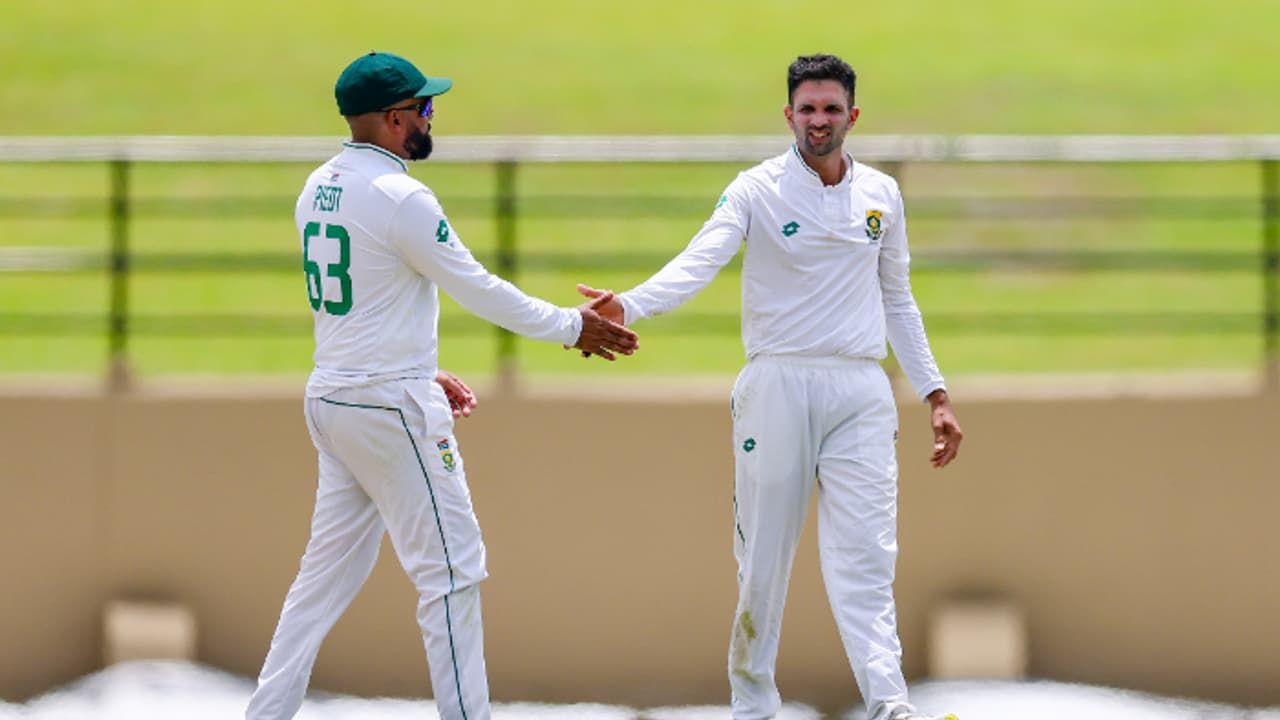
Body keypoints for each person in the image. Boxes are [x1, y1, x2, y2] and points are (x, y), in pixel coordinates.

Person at [246, 51, 638, 720]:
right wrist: (572, 327)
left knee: (320, 583)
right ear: (394, 119)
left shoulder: (319, 184)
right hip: (387, 407)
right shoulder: (401, 197)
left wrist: (419, 368)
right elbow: (479, 289)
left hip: (335, 400)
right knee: (453, 574)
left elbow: (362, 299)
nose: (433, 117)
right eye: (424, 108)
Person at [577, 54, 962, 720]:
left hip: (861, 389)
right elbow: (703, 258)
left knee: (868, 558)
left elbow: (897, 297)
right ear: (788, 115)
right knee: (763, 559)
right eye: (807, 109)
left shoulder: (881, 195)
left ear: (852, 116)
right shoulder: (755, 189)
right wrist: (630, 306)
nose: (819, 121)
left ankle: (889, 705)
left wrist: (935, 394)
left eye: (831, 109)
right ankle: (753, 706)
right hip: (777, 382)